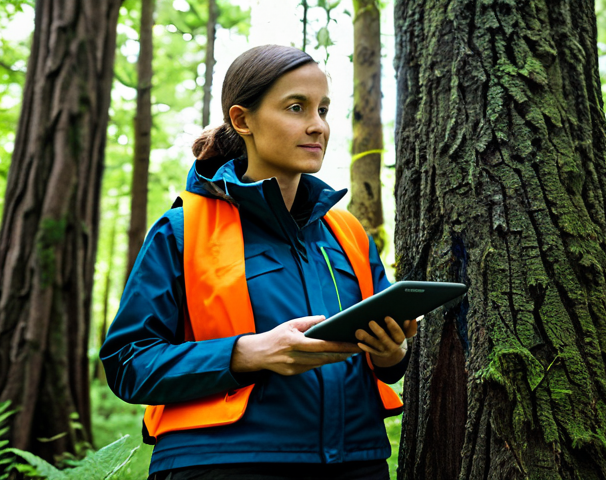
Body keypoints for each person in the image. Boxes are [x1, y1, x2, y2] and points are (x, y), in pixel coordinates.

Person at [100, 44, 417, 480]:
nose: (317, 125)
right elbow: (128, 362)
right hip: (221, 465)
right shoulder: (182, 228)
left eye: (323, 109)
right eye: (295, 107)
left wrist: (390, 353)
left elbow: (388, 357)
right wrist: (247, 353)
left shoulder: (347, 232)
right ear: (242, 120)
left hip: (357, 462)